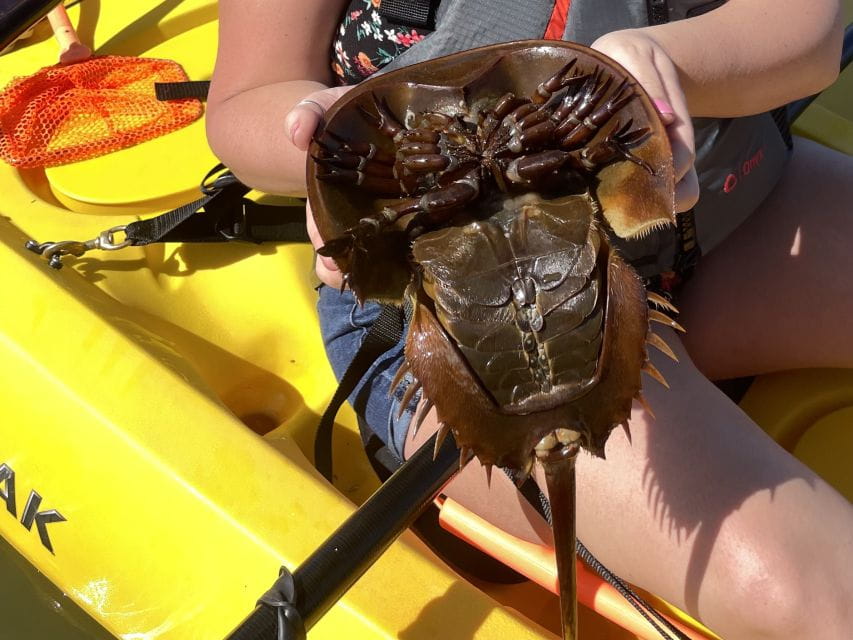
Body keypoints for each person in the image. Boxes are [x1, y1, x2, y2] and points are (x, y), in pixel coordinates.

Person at [206, 1, 853, 637]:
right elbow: (249, 97)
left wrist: (663, 66)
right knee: (807, 590)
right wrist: (332, 141)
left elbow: (805, 28)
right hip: (463, 307)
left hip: (714, 219)